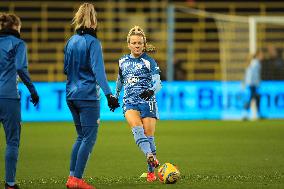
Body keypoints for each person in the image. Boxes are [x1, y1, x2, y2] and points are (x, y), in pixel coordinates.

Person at [64, 3, 119, 189]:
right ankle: (78, 180)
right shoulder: (93, 42)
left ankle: (72, 178)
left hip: (70, 94)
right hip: (87, 96)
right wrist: (109, 94)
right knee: (89, 138)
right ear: (94, 21)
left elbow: (66, 69)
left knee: (80, 137)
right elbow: (98, 71)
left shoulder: (71, 41)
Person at [115, 26, 162, 182]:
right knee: (137, 129)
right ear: (128, 44)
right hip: (129, 102)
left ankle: (151, 173)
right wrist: (115, 96)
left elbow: (158, 84)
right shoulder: (122, 61)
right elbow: (120, 81)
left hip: (147, 102)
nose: (136, 45)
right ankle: (149, 155)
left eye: (139, 43)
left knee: (149, 136)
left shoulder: (149, 61)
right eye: (134, 43)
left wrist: (151, 91)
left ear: (144, 44)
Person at [0, 13, 39, 189]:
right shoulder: (17, 44)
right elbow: (20, 67)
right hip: (8, 96)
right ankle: (9, 183)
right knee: (12, 141)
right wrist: (33, 91)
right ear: (16, 27)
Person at [244, 50, 263, 120]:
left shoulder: (254, 63)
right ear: (258, 55)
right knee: (253, 97)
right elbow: (253, 74)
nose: (262, 56)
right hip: (252, 84)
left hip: (252, 83)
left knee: (255, 97)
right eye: (261, 55)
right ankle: (245, 113)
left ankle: (256, 113)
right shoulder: (255, 63)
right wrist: (256, 83)